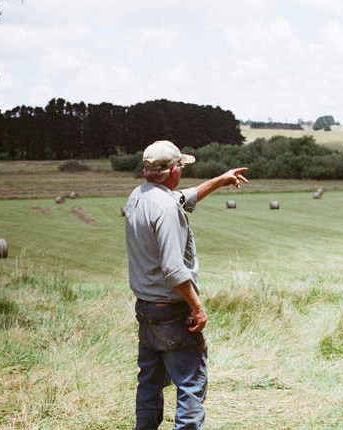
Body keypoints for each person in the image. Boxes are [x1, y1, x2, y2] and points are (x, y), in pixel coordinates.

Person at [124, 140, 248, 430]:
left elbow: (184, 198)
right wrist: (197, 307)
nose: (182, 170)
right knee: (191, 384)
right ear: (173, 170)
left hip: (146, 308)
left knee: (149, 383)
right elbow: (174, 269)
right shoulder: (166, 208)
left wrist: (220, 181)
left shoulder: (139, 196)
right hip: (171, 310)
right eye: (180, 165)